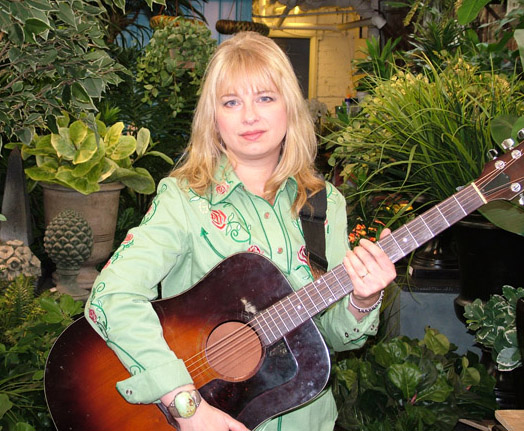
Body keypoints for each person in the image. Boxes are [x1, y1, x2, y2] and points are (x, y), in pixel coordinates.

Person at [85, 31, 396, 431]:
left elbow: (331, 339)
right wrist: (185, 404)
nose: (249, 116)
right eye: (231, 102)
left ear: (290, 107)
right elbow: (111, 296)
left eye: (265, 98)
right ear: (213, 119)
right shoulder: (184, 200)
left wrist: (363, 299)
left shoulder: (323, 203)